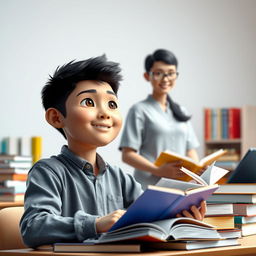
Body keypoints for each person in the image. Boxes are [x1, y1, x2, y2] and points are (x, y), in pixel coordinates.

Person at [20, 55, 206, 248]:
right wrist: (95, 224)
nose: (105, 113)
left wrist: (182, 220)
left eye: (112, 104)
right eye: (88, 102)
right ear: (56, 118)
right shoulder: (47, 172)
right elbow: (33, 227)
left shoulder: (120, 178)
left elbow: (150, 221)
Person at [119, 49, 200, 190]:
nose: (166, 79)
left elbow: (190, 150)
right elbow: (128, 155)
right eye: (158, 73)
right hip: (149, 187)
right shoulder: (139, 110)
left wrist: (197, 172)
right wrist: (158, 170)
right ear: (147, 76)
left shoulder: (181, 112)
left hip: (179, 187)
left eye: (171, 73)